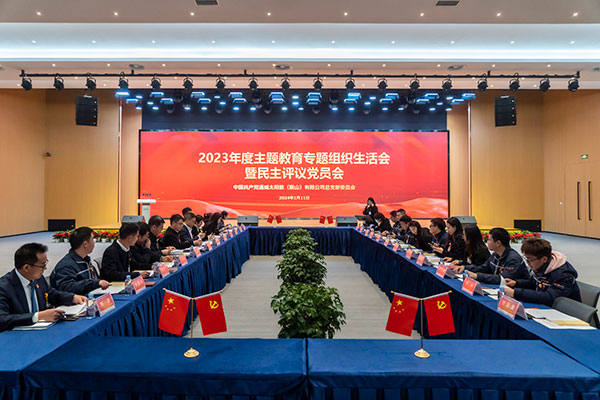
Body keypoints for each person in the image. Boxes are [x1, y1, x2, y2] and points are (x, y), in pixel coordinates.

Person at [0, 243, 86, 332]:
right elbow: (2, 319)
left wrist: (73, 298)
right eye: (42, 265)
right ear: (26, 268)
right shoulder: (4, 287)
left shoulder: (38, 278)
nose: (45, 269)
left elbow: (53, 295)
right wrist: (37, 316)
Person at [503, 238, 581, 306]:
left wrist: (516, 293)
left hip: (564, 312)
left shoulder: (563, 275)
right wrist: (516, 283)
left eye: (530, 260)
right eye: (526, 259)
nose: (527, 263)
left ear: (544, 259)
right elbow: (534, 284)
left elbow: (550, 297)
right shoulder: (541, 267)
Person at [456, 227, 529, 285]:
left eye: (489, 240)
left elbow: (503, 279)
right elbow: (483, 268)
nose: (487, 242)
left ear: (498, 243)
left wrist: (477, 276)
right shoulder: (495, 255)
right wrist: (465, 267)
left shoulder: (513, 259)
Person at [50, 227, 111, 295]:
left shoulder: (85, 260)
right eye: (92, 239)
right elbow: (66, 288)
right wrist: (94, 283)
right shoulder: (66, 265)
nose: (94, 242)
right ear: (85, 244)